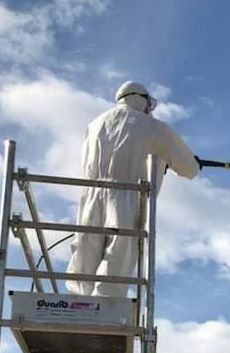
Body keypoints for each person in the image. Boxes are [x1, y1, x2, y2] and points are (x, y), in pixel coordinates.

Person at [66, 81, 199, 297]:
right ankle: (106, 305)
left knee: (86, 249)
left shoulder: (95, 124)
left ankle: (79, 302)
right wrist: (193, 164)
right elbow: (187, 166)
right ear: (141, 99)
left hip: (91, 193)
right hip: (126, 195)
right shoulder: (152, 126)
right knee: (119, 252)